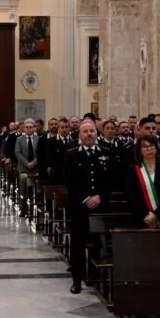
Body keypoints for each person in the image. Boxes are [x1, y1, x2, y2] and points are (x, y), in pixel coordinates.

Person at [64, 119, 118, 294]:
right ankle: (77, 280)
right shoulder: (72, 154)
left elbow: (112, 180)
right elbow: (69, 181)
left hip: (101, 206)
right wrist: (87, 198)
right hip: (80, 207)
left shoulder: (107, 153)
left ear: (97, 133)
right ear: (79, 134)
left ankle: (96, 276)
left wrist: (100, 197)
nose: (89, 134)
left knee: (98, 242)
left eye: (92, 131)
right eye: (85, 131)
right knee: (77, 245)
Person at [125, 134, 160, 229]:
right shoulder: (132, 170)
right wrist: (148, 217)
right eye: (144, 146)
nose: (149, 149)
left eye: (151, 145)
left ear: (156, 148)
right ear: (139, 151)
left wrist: (156, 215)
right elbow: (130, 196)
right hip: (140, 219)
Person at [15, 119, 39, 216]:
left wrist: (33, 163)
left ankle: (34, 209)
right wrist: (26, 163)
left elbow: (40, 153)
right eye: (27, 127)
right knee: (23, 189)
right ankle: (22, 209)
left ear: (34, 128)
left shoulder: (38, 139)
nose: (29, 129)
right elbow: (17, 152)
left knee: (35, 189)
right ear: (24, 128)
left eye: (31, 127)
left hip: (35, 167)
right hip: (24, 167)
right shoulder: (19, 139)